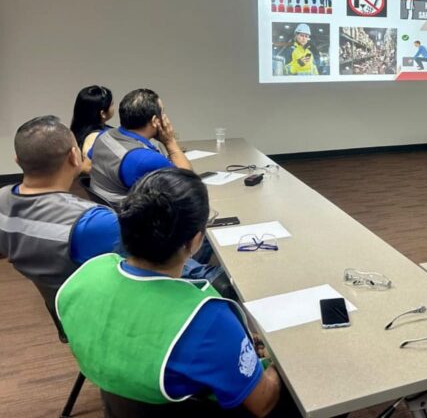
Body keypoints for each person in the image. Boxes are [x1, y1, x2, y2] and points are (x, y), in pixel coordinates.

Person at [56, 169, 298, 417]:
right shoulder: (208, 318)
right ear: (195, 241)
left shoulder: (84, 276)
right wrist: (279, 355)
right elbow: (263, 403)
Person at [0, 116, 120, 294]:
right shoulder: (93, 221)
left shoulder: (2, 198)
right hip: (95, 306)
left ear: (17, 160)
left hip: (55, 303)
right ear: (73, 156)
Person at [89, 88, 191, 206]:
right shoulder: (145, 159)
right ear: (155, 121)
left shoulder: (104, 136)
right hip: (130, 218)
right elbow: (189, 186)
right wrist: (170, 142)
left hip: (105, 208)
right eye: (162, 113)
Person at [69, 85, 114, 174]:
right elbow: (87, 168)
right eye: (112, 104)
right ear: (103, 113)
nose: (113, 107)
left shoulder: (78, 131)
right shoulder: (94, 137)